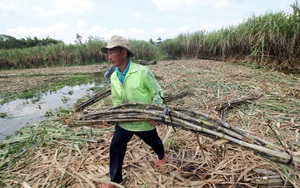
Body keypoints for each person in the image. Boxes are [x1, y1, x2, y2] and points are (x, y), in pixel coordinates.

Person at [100, 35, 168, 188]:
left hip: (144, 120)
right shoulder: (114, 77)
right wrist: (111, 118)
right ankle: (115, 180)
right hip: (125, 122)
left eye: (112, 52)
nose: (109, 57)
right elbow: (116, 102)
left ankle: (162, 156)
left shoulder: (142, 72)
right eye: (108, 53)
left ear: (124, 53)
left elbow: (157, 93)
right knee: (116, 146)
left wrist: (155, 113)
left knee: (154, 141)